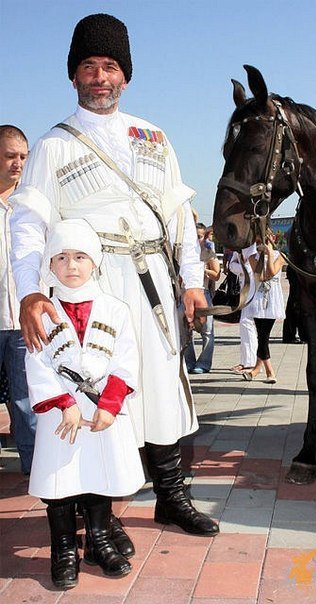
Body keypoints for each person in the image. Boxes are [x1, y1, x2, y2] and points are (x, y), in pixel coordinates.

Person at [10, 14, 218, 537]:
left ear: (125, 76)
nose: (100, 77)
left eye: (110, 67)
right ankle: (96, 513)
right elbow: (29, 224)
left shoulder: (154, 136)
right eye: (88, 66)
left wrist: (191, 283)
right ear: (73, 76)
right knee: (96, 390)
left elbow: (178, 218)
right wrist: (31, 291)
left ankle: (171, 496)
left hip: (153, 287)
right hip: (90, 289)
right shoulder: (53, 145)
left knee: (161, 385)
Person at [25, 219, 144, 588]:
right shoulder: (42, 312)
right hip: (61, 415)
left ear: (95, 261)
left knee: (98, 477)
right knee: (59, 484)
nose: (71, 266)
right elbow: (36, 361)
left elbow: (126, 361)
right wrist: (64, 403)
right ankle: (62, 548)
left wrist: (109, 405)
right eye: (61, 257)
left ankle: (98, 539)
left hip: (101, 413)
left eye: (79, 256)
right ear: (49, 264)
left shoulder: (116, 309)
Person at [0, 125, 36, 474]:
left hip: (24, 323)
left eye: (23, 156)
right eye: (11, 156)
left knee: (26, 402)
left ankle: (35, 469)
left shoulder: (32, 203)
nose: (18, 164)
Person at [242, 233, 286, 383]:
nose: (263, 243)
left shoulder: (280, 256)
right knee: (262, 335)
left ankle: (262, 370)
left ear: (273, 239)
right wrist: (262, 256)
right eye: (260, 241)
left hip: (272, 299)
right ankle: (263, 370)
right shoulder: (253, 257)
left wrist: (269, 254)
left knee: (264, 335)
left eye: (266, 240)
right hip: (258, 299)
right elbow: (260, 276)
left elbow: (272, 272)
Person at [184, 222, 220, 373]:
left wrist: (202, 270)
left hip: (203, 292)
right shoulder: (185, 251)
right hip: (184, 293)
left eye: (198, 236)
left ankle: (204, 363)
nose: (196, 240)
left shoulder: (207, 252)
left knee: (207, 330)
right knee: (186, 330)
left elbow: (217, 274)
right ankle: (189, 361)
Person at [228, 244, 258, 374]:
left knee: (247, 322)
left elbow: (253, 267)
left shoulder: (256, 247)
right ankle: (248, 361)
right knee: (246, 324)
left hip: (255, 288)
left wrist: (244, 266)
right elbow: (231, 265)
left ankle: (250, 363)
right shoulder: (240, 246)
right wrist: (242, 266)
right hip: (243, 287)